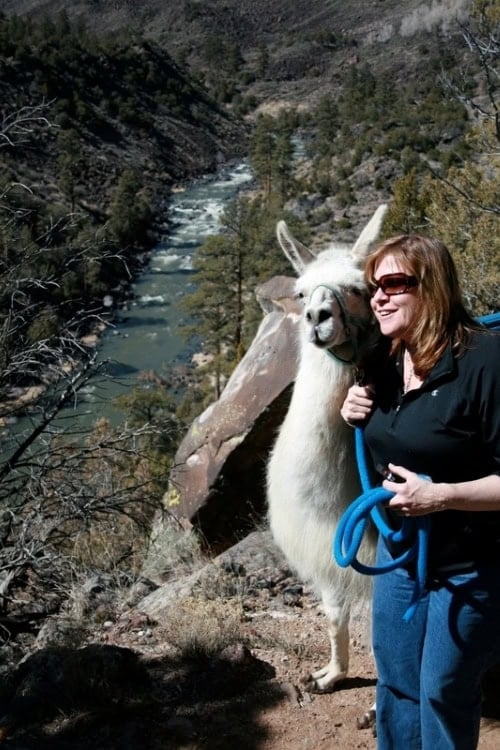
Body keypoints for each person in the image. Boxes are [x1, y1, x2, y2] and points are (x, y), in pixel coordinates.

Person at [340, 234, 500, 750]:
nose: (379, 298)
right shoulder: (384, 362)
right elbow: (387, 440)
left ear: (430, 288)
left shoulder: (485, 364)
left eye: (393, 284)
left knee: (442, 690)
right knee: (398, 686)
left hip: (473, 564)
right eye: (373, 288)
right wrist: (352, 414)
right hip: (401, 556)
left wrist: (443, 496)